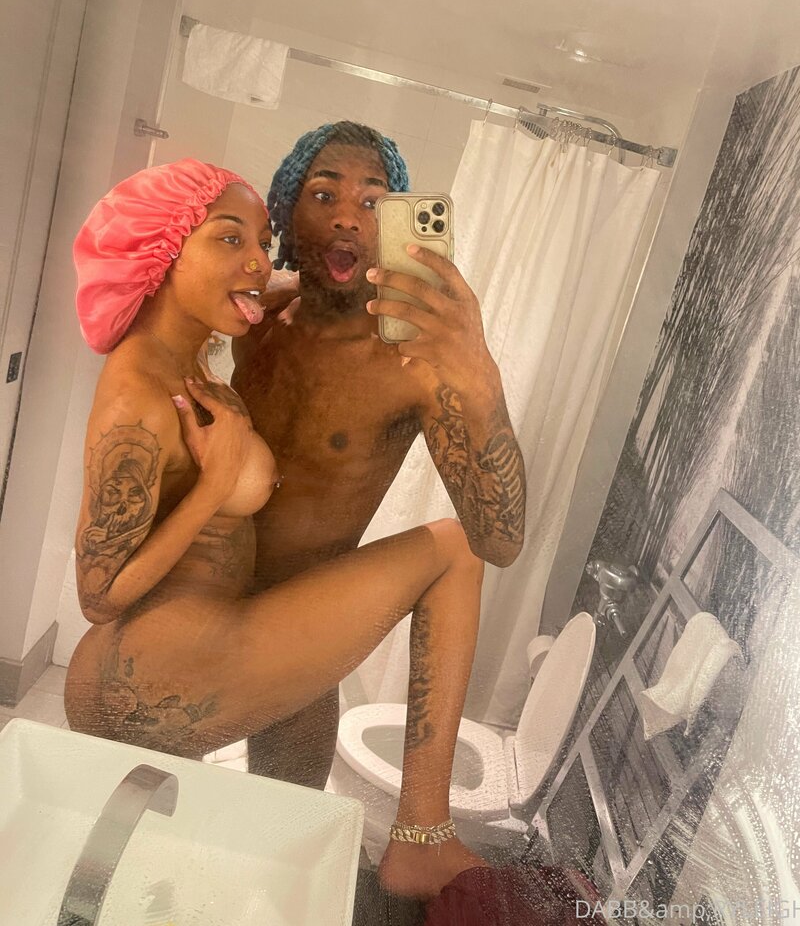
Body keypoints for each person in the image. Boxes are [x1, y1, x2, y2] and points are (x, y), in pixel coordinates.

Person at [64, 158, 494, 899]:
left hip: (173, 655)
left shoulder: (190, 357)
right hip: (163, 668)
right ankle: (422, 837)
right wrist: (215, 487)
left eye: (263, 241)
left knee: (145, 888)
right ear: (163, 252)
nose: (259, 263)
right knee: (456, 549)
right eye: (230, 239)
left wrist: (368, 288)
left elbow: (289, 291)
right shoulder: (137, 391)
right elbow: (96, 594)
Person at [231, 121, 526, 792]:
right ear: (286, 209)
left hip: (305, 622)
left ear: (392, 227)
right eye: (323, 194)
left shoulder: (411, 364)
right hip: (208, 593)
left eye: (371, 201)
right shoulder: (258, 322)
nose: (347, 217)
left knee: (282, 813)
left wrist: (479, 376)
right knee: (163, 795)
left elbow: (499, 540)